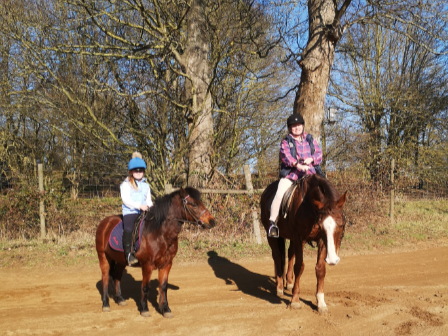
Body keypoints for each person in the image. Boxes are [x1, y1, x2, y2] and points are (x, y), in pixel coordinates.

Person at [268, 114, 323, 238]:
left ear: (303, 126)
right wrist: (297, 165)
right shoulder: (286, 141)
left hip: (311, 174)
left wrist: (311, 159)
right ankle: (273, 224)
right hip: (292, 175)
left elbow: (319, 154)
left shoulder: (310, 139)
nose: (296, 128)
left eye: (298, 125)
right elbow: (285, 156)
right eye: (293, 126)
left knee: (326, 191)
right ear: (289, 128)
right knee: (280, 193)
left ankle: (329, 220)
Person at [120, 152, 153, 265]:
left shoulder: (146, 185)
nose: (139, 173)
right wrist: (139, 206)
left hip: (144, 211)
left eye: (141, 170)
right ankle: (128, 254)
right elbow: (126, 200)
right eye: (136, 171)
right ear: (131, 172)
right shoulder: (126, 184)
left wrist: (151, 206)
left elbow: (148, 200)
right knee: (129, 227)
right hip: (130, 211)